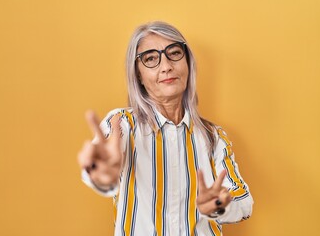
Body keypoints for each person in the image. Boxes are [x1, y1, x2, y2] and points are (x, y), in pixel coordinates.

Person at [77, 21, 253, 236]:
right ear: (138, 74)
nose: (166, 66)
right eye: (151, 58)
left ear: (188, 63)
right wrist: (101, 174)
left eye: (174, 53)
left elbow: (243, 204)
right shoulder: (121, 125)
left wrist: (218, 205)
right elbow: (100, 169)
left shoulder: (213, 137)